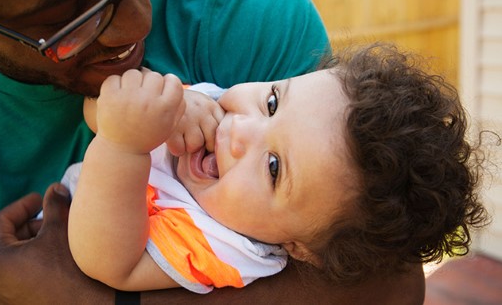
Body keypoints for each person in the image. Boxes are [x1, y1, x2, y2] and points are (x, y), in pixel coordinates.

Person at [0, 0, 349, 303]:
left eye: (274, 167)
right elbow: (102, 111)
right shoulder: (230, 109)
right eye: (67, 22)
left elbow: (392, 278)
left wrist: (95, 296)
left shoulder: (230, 247)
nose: (136, 24)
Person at [66, 44, 489, 294]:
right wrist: (143, 107)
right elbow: (96, 107)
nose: (240, 128)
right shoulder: (211, 107)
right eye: (272, 102)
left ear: (297, 247)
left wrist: (124, 145)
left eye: (273, 166)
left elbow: (110, 265)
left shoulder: (228, 249)